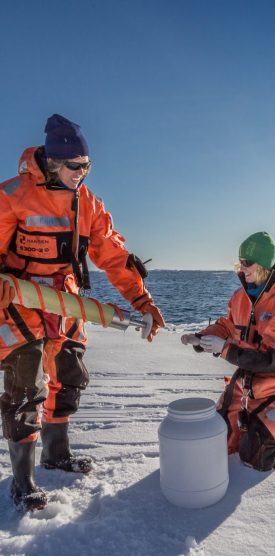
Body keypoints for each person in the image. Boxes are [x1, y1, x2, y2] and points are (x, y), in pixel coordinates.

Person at [0, 114, 165, 512]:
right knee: (25, 390)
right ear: (53, 161)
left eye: (87, 166)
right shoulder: (11, 195)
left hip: (65, 303)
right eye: (76, 166)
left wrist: (142, 301)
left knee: (70, 378)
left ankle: (57, 454)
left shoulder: (87, 203)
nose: (82, 173)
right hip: (18, 302)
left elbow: (114, 256)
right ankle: (23, 482)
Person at [182, 232, 275, 471]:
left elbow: (270, 358)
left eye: (247, 262)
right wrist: (203, 337)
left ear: (264, 264)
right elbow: (227, 325)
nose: (242, 268)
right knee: (218, 439)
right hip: (246, 376)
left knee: (256, 456)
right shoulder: (241, 296)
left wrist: (224, 349)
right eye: (239, 262)